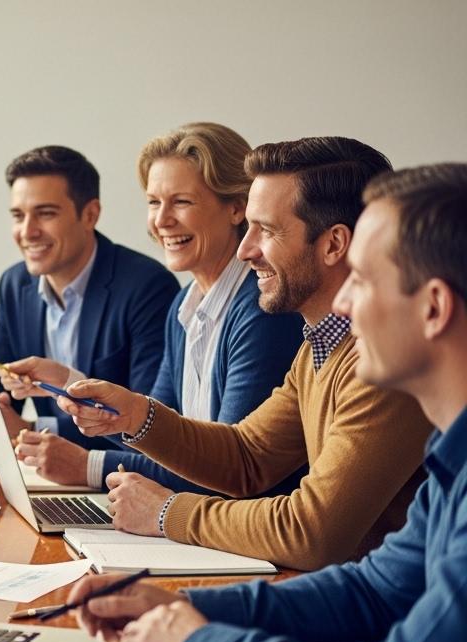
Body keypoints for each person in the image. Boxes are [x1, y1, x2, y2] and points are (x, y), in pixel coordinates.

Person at [68, 163, 467, 642]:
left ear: (433, 308)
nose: (349, 303)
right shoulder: (445, 453)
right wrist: (186, 607)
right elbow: (375, 589)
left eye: (362, 278)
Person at [54, 137, 431, 570]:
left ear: (333, 244)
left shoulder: (384, 362)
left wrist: (166, 512)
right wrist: (137, 415)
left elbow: (311, 531)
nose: (244, 249)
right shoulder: (320, 346)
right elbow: (248, 456)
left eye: (266, 230)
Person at [1, 124, 304, 494]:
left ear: (237, 207)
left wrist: (88, 466)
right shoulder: (184, 305)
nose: (161, 221)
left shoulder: (261, 310)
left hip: (237, 540)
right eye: (154, 202)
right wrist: (66, 382)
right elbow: (150, 434)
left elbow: (226, 472)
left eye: (181, 202)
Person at [0, 145, 179, 451]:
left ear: (90, 215)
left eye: (45, 214)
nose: (28, 231)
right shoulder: (14, 285)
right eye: (18, 216)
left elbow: (150, 422)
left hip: (117, 477)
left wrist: (33, 428)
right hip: (42, 475)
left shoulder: (147, 286)